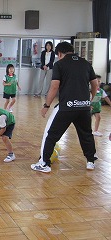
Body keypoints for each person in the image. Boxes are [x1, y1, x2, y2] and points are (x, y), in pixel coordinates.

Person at [31, 42, 99, 173]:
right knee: (86, 134)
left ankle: (44, 163)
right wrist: (92, 102)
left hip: (66, 107)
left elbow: (54, 86)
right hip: (84, 107)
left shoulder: (59, 64)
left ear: (60, 53)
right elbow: (95, 85)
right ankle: (90, 161)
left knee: (51, 135)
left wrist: (46, 105)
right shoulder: (86, 63)